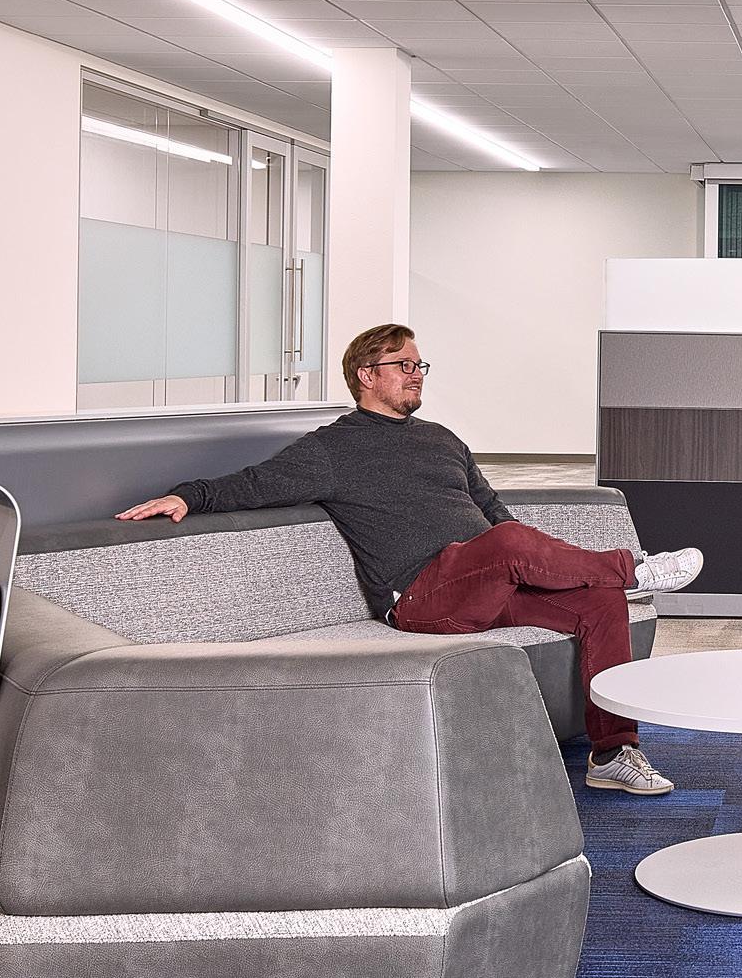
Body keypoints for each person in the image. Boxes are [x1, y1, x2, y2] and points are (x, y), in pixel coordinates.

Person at [115, 323, 704, 797]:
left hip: (487, 584)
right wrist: (188, 496)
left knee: (595, 600)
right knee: (514, 547)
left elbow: (493, 513)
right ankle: (633, 570)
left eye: (420, 365)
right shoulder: (332, 449)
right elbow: (253, 483)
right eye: (404, 365)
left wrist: (543, 565)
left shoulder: (442, 439)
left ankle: (613, 753)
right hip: (422, 598)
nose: (416, 374)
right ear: (367, 376)